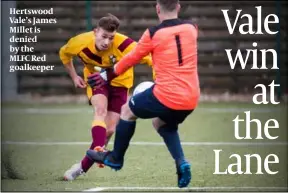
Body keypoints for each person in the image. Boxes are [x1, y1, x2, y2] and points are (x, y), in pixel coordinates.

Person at [86, 0, 199, 188]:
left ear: (157, 8)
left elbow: (130, 59)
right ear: (178, 7)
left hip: (166, 95)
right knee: (162, 124)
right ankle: (181, 162)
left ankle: (115, 157)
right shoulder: (191, 28)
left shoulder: (153, 34)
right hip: (191, 97)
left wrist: (105, 75)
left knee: (127, 111)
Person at [59, 13, 154, 181]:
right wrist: (74, 76)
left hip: (120, 83)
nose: (106, 42)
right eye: (103, 36)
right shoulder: (79, 42)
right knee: (100, 110)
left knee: (109, 130)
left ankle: (81, 167)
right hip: (96, 81)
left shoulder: (124, 44)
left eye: (111, 38)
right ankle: (98, 149)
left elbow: (150, 58)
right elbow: (64, 54)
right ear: (95, 31)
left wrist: (160, 78)